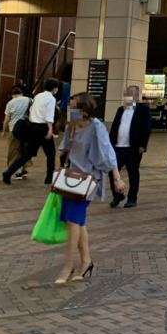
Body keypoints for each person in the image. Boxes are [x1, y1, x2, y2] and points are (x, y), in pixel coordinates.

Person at [55, 93, 125, 283]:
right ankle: (86, 262)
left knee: (73, 220)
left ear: (84, 110)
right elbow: (63, 150)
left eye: (73, 107)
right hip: (69, 180)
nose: (70, 111)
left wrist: (117, 178)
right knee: (76, 222)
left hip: (88, 181)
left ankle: (68, 266)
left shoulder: (97, 127)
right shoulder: (72, 126)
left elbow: (108, 154)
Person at [3, 77, 58, 184]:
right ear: (54, 89)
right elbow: (49, 116)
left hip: (33, 127)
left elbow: (32, 110)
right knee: (51, 153)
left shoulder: (38, 96)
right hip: (43, 127)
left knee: (28, 154)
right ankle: (49, 178)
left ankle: (9, 172)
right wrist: (50, 130)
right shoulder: (51, 99)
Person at [109, 85, 150, 207]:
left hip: (133, 148)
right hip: (118, 146)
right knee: (112, 172)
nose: (127, 97)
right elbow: (115, 127)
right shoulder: (120, 109)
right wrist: (110, 144)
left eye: (130, 94)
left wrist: (143, 145)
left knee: (133, 173)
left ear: (136, 96)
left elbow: (146, 128)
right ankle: (117, 195)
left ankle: (132, 198)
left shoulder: (143, 110)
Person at [1, 84, 31, 180]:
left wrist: (4, 130)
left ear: (13, 94)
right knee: (25, 150)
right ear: (21, 93)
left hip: (14, 129)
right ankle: (24, 170)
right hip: (27, 129)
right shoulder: (30, 100)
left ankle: (16, 172)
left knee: (14, 150)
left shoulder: (10, 103)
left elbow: (7, 119)